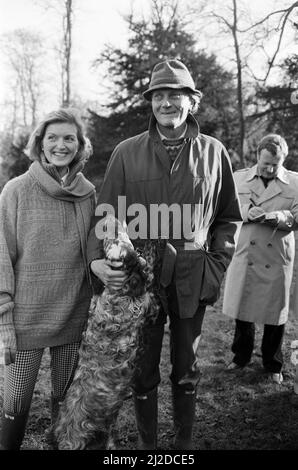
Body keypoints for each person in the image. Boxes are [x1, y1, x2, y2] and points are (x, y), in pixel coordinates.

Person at [87, 59, 242, 450]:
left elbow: (229, 218)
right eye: (159, 96)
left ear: (193, 101)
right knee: (143, 371)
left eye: (176, 95)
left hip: (193, 272)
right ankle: (149, 450)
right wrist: (103, 261)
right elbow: (107, 216)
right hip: (142, 274)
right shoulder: (127, 152)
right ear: (151, 102)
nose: (166, 103)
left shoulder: (214, 153)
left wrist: (217, 263)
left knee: (187, 368)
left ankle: (183, 448)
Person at [0, 108, 96, 450]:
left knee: (65, 399)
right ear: (39, 144)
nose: (60, 145)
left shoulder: (89, 195)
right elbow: (2, 257)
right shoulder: (16, 191)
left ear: (80, 145)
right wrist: (4, 319)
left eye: (69, 138)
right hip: (25, 319)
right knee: (15, 404)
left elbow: (95, 254)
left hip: (72, 315)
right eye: (52, 137)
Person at [223, 134, 298, 385]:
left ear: (282, 160)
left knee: (275, 313)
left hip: (276, 254)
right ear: (257, 156)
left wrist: (280, 216)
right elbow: (224, 209)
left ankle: (273, 363)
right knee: (243, 309)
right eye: (266, 162)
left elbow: (297, 217)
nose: (269, 168)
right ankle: (240, 356)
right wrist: (245, 211)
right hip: (246, 251)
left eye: (275, 164)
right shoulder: (238, 178)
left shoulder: (295, 183)